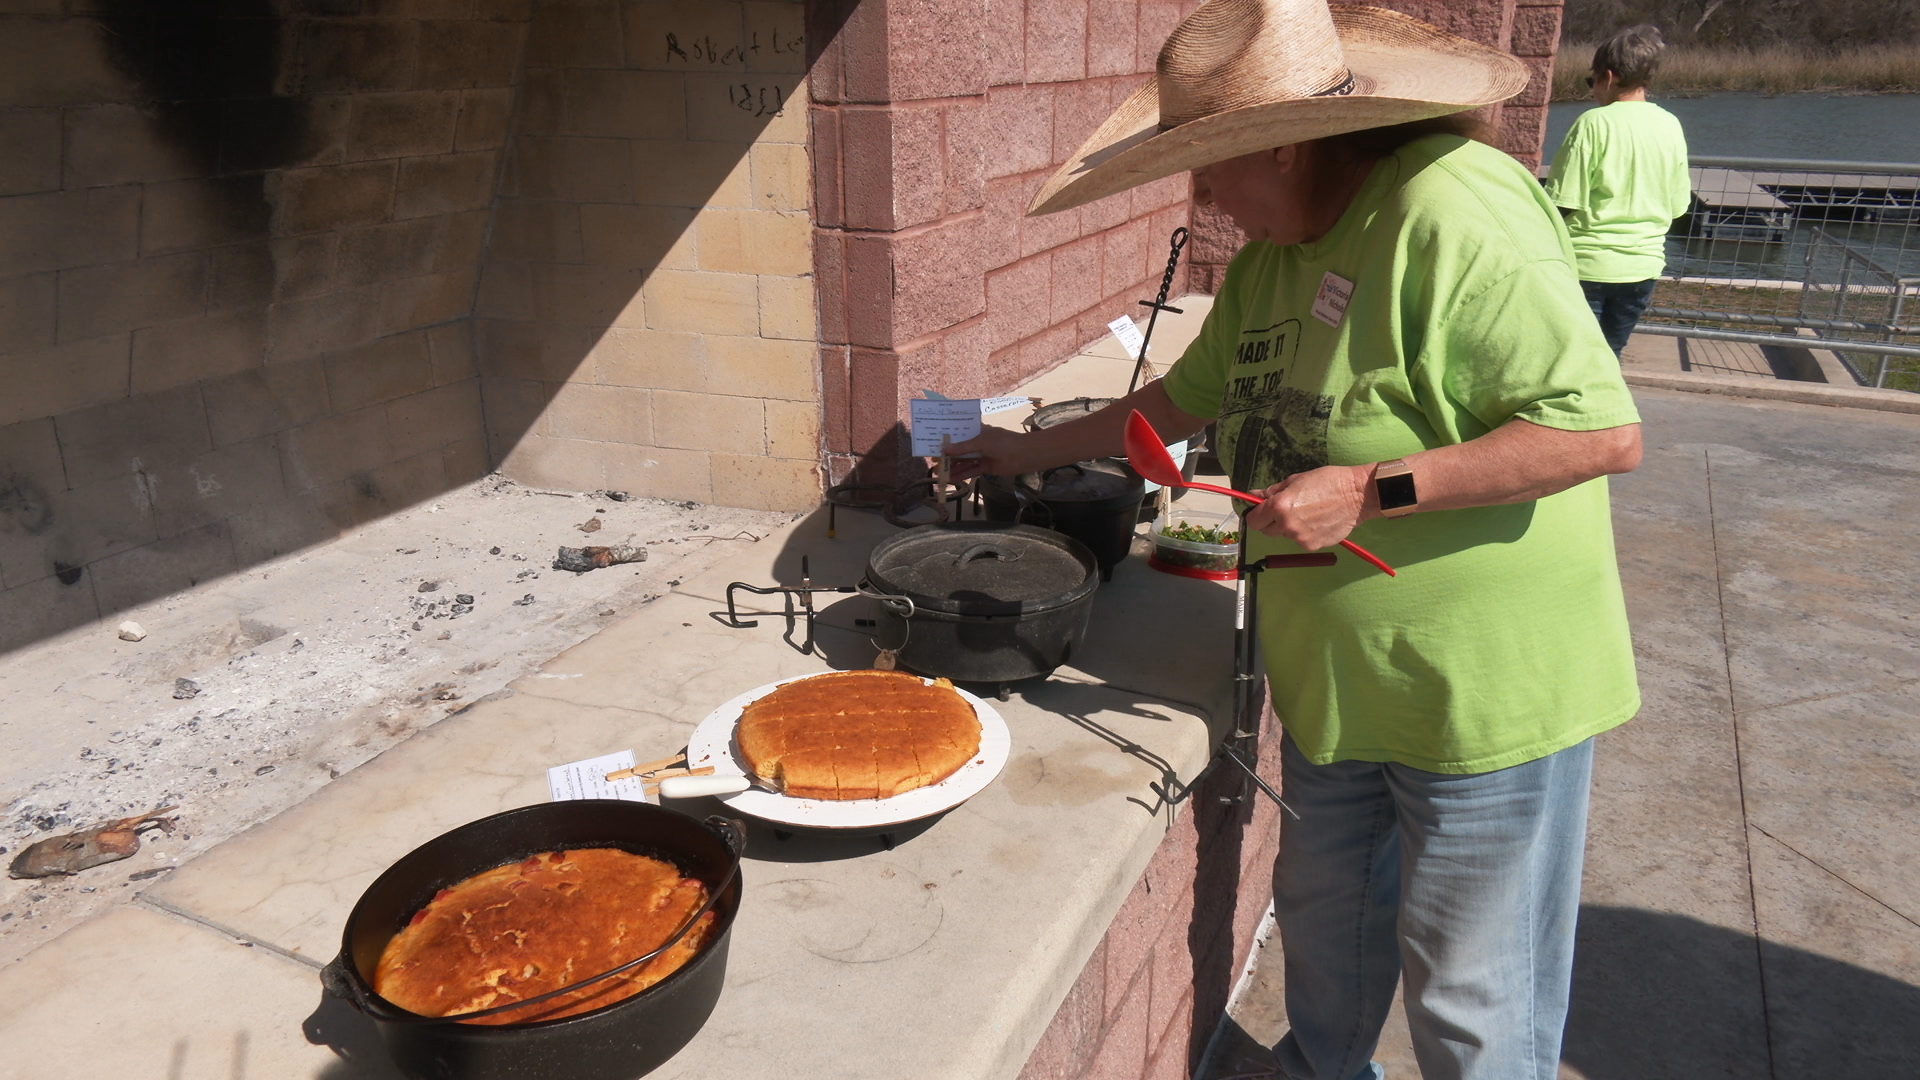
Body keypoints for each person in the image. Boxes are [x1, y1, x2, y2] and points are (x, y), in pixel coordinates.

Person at [949, 1, 1644, 1078]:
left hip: (1485, 694)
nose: (1202, 199)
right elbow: (1177, 402)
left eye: (1212, 170)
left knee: (1471, 993)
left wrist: (1372, 486)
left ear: (1278, 146)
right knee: (1328, 939)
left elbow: (1597, 430)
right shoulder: (1270, 260)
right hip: (1335, 684)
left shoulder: (1450, 208)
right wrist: (1015, 452)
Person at [1545, 24, 1693, 358]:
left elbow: (1563, 203)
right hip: (1643, 267)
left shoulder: (1593, 124)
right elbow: (1677, 206)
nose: (1592, 90)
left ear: (1608, 77)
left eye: (1591, 81)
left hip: (1588, 267)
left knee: (1573, 359)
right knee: (1608, 356)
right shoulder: (1670, 124)